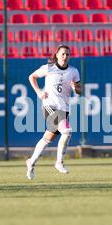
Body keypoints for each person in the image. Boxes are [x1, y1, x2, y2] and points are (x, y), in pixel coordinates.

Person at [25, 45, 82, 180]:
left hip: (64, 109)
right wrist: (39, 92)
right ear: (56, 55)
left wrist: (76, 88)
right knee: (67, 131)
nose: (65, 56)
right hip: (49, 106)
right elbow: (31, 77)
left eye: (67, 54)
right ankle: (59, 162)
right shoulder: (49, 68)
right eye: (62, 54)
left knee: (47, 138)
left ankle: (31, 162)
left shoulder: (74, 71)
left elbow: (79, 91)